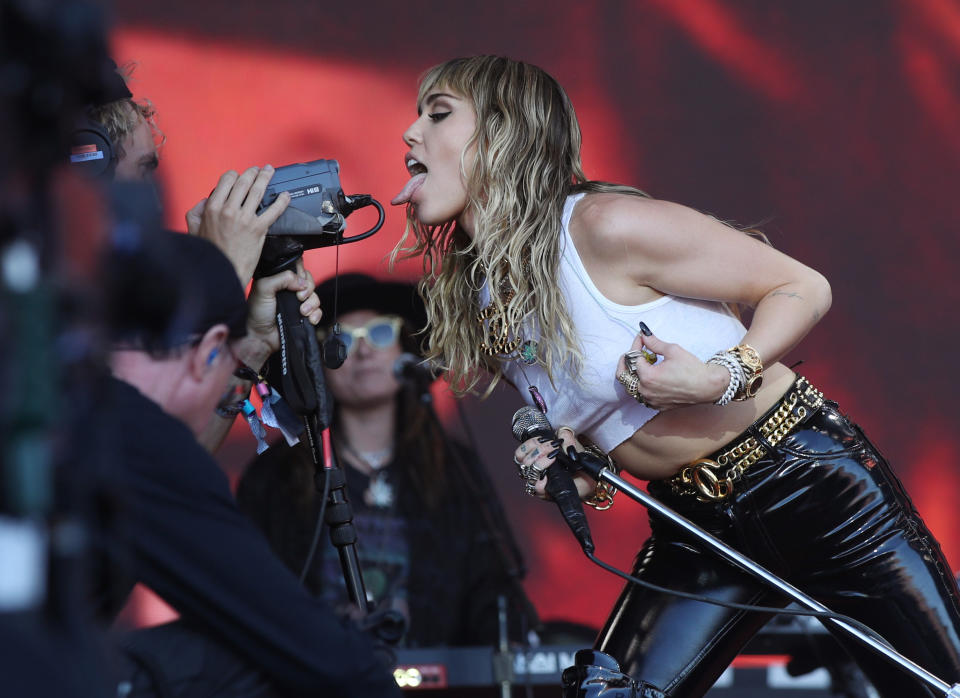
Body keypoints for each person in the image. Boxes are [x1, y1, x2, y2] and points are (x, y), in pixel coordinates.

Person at [389, 55, 960, 697]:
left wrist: (723, 376)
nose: (410, 134)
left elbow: (802, 285)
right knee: (613, 693)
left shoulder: (601, 226)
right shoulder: (487, 297)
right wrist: (571, 462)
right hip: (692, 525)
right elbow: (602, 420)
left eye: (437, 114)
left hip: (807, 483)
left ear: (504, 133)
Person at [97, 232, 400, 698]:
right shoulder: (136, 440)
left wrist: (253, 348)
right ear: (211, 349)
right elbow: (302, 644)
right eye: (231, 374)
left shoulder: (63, 398)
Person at [236, 272, 537, 647]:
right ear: (317, 363)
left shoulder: (452, 467)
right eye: (341, 339)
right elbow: (243, 593)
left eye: (380, 333)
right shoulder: (275, 474)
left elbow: (492, 592)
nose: (363, 352)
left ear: (405, 348)